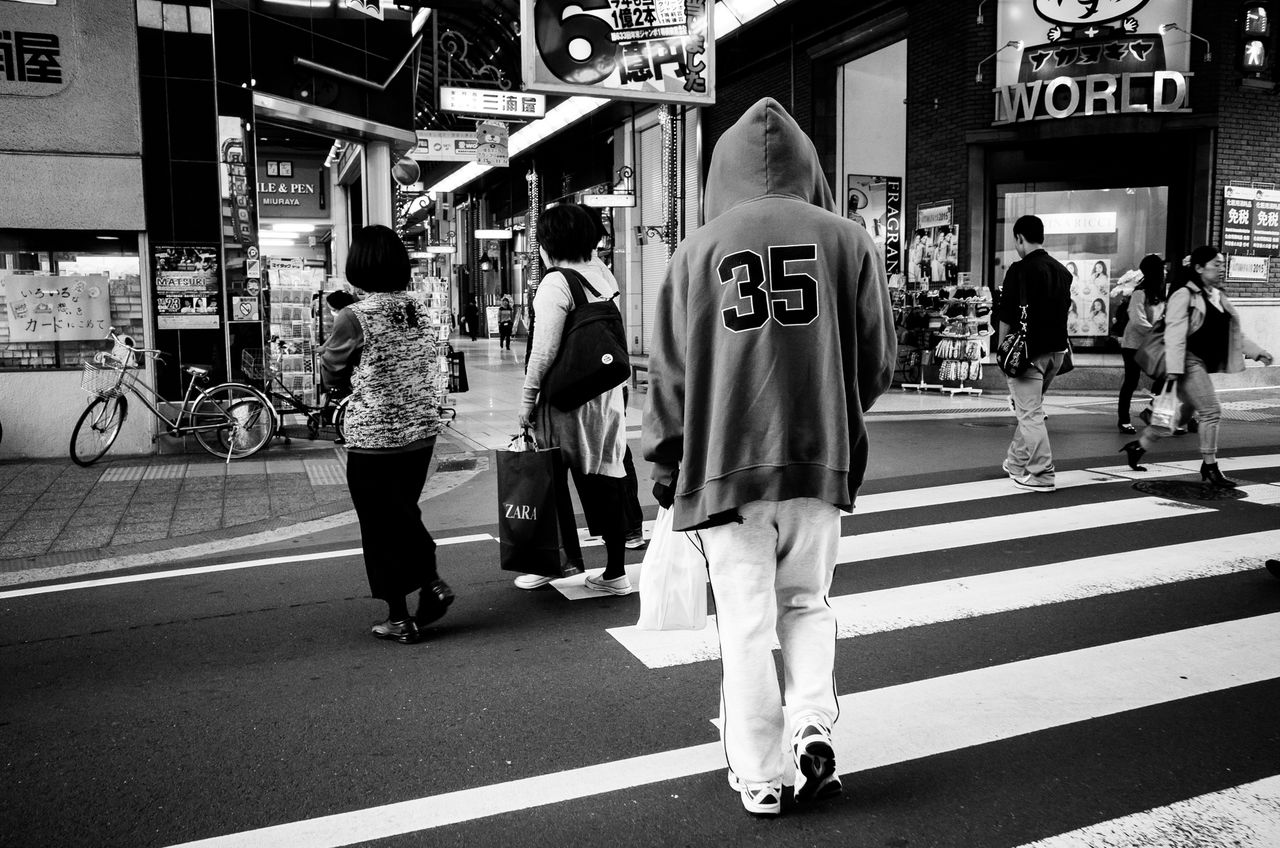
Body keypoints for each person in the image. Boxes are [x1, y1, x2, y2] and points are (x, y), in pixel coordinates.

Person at [643, 97, 895, 817]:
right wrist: (831, 417)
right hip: (820, 464)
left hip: (726, 470)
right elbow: (877, 363)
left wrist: (666, 466)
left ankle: (761, 777)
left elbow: (669, 379)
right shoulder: (850, 241)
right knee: (808, 604)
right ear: (810, 166)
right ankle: (812, 719)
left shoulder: (695, 252)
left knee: (745, 626)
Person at [320, 225, 453, 645]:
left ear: (358, 264)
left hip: (375, 437)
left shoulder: (352, 316)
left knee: (381, 525)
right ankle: (427, 584)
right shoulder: (417, 307)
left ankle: (403, 612)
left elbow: (332, 369)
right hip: (420, 433)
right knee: (401, 512)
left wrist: (341, 322)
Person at [515, 203, 632, 594]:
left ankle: (552, 563)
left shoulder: (556, 283)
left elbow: (543, 352)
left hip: (564, 404)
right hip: (605, 397)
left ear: (546, 244)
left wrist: (527, 401)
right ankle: (615, 573)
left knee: (548, 480)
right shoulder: (602, 274)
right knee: (606, 480)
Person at [1121, 246, 1274, 486]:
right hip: (1185, 361)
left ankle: (1138, 446)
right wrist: (1173, 370)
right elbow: (1174, 334)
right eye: (1216, 264)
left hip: (1198, 362)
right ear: (1199, 268)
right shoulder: (1184, 294)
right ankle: (1210, 466)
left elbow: (1232, 333)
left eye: (1222, 263)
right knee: (1211, 411)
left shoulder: (1217, 295)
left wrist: (1257, 352)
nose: (1220, 268)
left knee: (1178, 418)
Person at [997, 215, 1071, 493]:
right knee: (1031, 410)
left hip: (1028, 353)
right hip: (1058, 352)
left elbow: (1006, 315)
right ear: (1042, 237)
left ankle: (1041, 473)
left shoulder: (1019, 270)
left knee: (1029, 415)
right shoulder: (1062, 271)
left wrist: (1003, 352)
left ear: (1019, 238)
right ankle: (1016, 463)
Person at [1117, 254, 1167, 433]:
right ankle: (1123, 420)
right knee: (1131, 381)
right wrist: (1159, 334)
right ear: (1156, 271)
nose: (1165, 271)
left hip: (1152, 343)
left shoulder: (1160, 293)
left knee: (1166, 375)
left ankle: (1152, 410)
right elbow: (1138, 321)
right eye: (1162, 269)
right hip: (1133, 344)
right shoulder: (1139, 293)